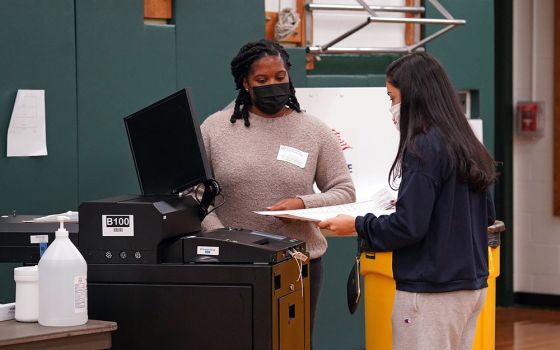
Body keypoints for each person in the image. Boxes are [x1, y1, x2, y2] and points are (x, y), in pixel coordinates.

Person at [318, 52, 497, 350]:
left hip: (432, 294)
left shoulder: (423, 147)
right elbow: (486, 215)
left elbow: (409, 227)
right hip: (472, 287)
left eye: (392, 98)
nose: (391, 107)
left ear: (413, 96)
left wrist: (358, 224)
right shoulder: (466, 142)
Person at [200, 39, 356, 342]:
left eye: (280, 77)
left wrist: (303, 203)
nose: (273, 85)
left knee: (291, 343)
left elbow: (344, 190)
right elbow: (195, 195)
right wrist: (222, 239)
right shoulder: (215, 129)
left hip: (298, 265)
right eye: (262, 80)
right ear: (245, 83)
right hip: (232, 264)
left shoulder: (315, 131)